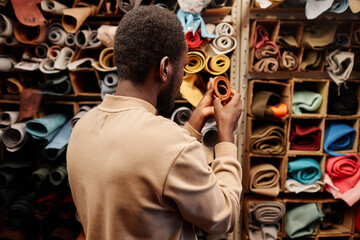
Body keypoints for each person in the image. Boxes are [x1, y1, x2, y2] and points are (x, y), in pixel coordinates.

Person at [67, 5, 242, 240]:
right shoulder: (168, 144)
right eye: (182, 67)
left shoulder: (81, 128)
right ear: (164, 68)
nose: (181, 80)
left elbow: (152, 168)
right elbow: (224, 217)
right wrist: (227, 137)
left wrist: (193, 124)